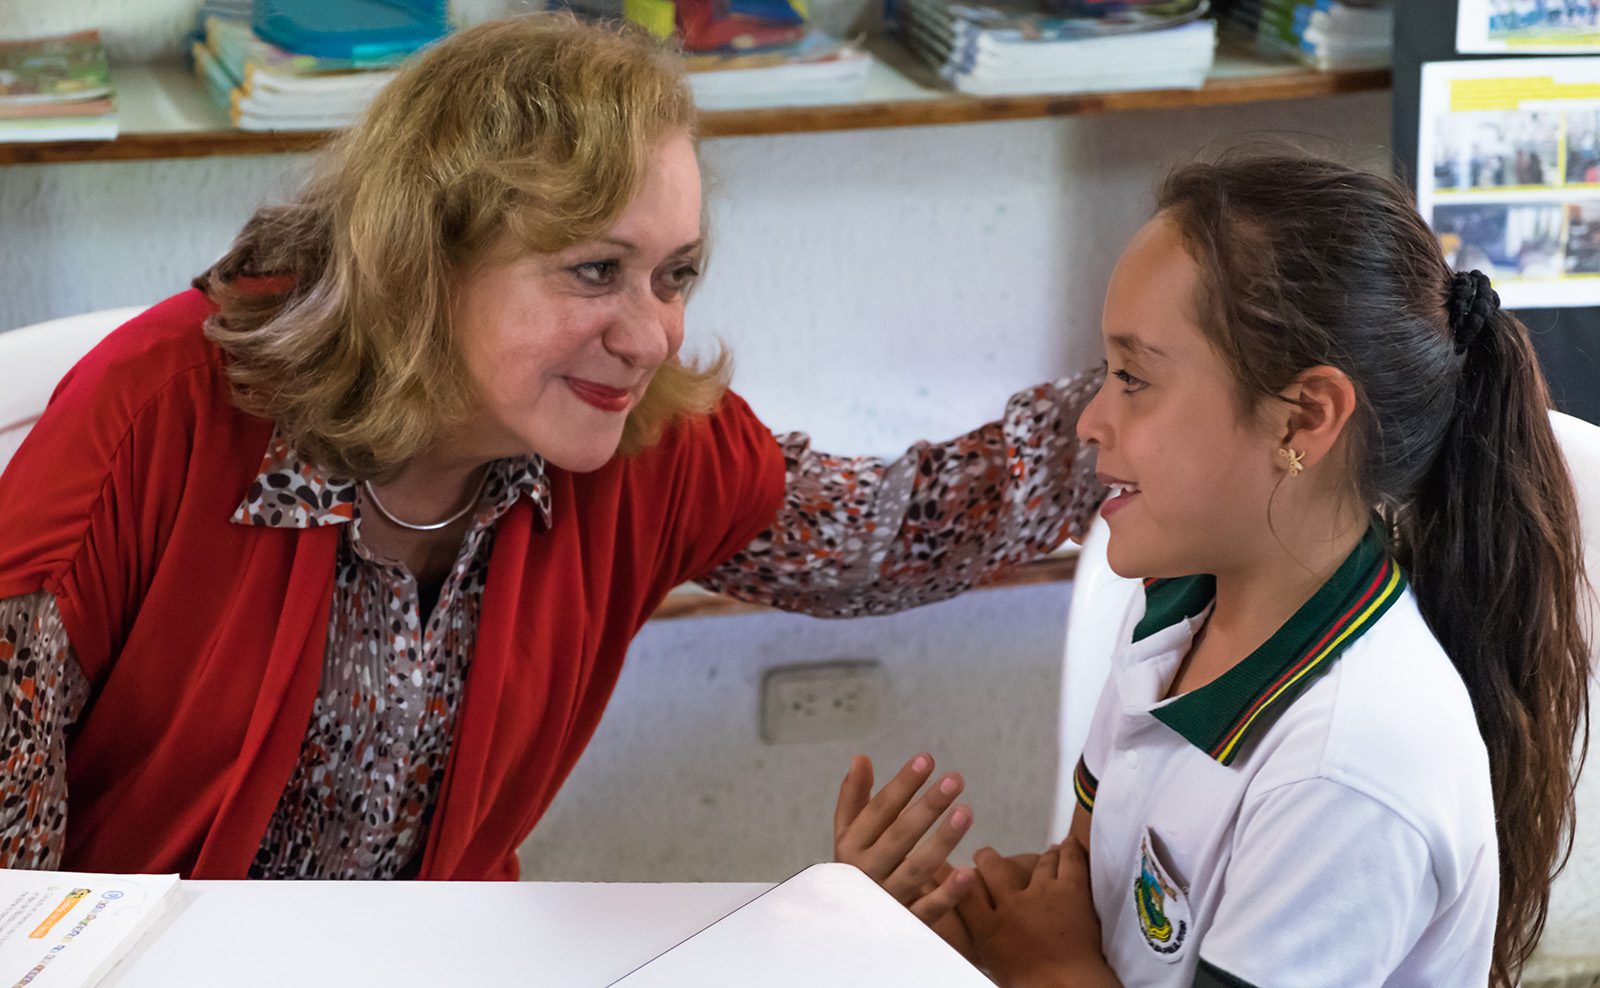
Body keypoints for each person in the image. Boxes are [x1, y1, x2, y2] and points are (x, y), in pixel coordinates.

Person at [0, 16, 1103, 887]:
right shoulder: (153, 419)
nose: (650, 334)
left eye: (675, 274)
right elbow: (13, 878)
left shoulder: (640, 434)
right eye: (594, 270)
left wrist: (1144, 410)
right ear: (421, 262)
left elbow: (888, 533)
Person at [893, 153, 1587, 986]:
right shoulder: (1176, 610)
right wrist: (921, 920)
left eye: (1134, 380)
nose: (1089, 421)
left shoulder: (1347, 774)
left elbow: (1066, 952)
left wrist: (1047, 967)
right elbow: (1077, 898)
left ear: (1302, 419)